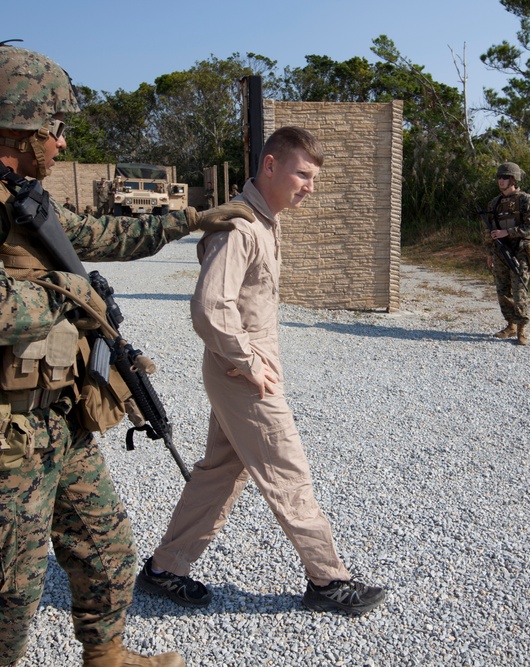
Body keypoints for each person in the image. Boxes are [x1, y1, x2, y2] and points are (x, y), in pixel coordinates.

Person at [0, 41, 252, 667]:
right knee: (6, 589)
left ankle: (108, 655)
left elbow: (104, 232)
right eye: (54, 130)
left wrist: (194, 219)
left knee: (106, 545)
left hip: (56, 419)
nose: (60, 144)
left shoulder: (20, 196)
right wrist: (67, 294)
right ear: (20, 125)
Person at [137, 126, 387, 617]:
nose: (309, 186)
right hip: (243, 375)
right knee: (288, 472)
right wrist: (251, 365)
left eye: (313, 177)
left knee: (220, 473)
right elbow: (210, 308)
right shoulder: (240, 227)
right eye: (303, 174)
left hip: (240, 369)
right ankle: (328, 580)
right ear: (270, 166)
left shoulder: (265, 221)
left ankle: (166, 568)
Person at [484, 161, 530, 345]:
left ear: (514, 179)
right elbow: (489, 230)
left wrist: (507, 233)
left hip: (521, 250)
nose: (501, 180)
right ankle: (510, 325)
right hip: (500, 252)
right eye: (500, 177)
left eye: (505, 177)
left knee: (519, 291)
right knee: (502, 290)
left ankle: (522, 329)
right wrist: (490, 252)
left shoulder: (525, 200)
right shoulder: (495, 202)